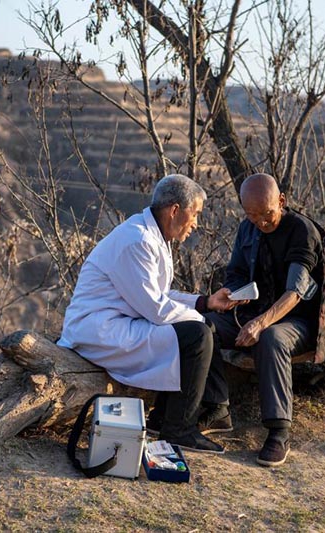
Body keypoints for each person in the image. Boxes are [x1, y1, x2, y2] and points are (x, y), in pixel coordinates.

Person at [57, 174, 240, 453]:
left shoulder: (153, 236)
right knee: (197, 335)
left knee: (200, 327)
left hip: (119, 322)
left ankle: (165, 417)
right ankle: (180, 429)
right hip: (100, 330)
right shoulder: (138, 240)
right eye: (195, 214)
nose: (196, 223)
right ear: (175, 210)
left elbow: (159, 295)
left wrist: (205, 303)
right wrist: (201, 318)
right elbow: (156, 309)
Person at [206, 172, 325, 467]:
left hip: (297, 321)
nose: (260, 223)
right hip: (253, 312)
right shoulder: (247, 229)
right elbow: (236, 273)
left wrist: (261, 323)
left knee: (271, 337)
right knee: (203, 326)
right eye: (252, 216)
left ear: (281, 201)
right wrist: (234, 294)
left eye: (267, 214)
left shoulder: (301, 230)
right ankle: (216, 408)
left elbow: (296, 292)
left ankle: (278, 431)